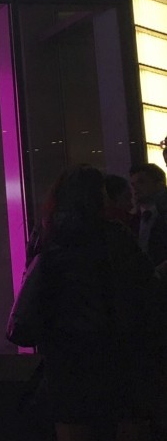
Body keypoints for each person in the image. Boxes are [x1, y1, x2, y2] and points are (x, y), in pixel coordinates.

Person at [32, 164, 160, 441]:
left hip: (66, 361)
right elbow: (145, 295)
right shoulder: (116, 237)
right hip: (117, 354)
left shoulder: (48, 238)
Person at [129, 163, 167, 266]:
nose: (135, 189)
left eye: (141, 182)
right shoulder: (131, 221)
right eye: (133, 184)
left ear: (159, 185)